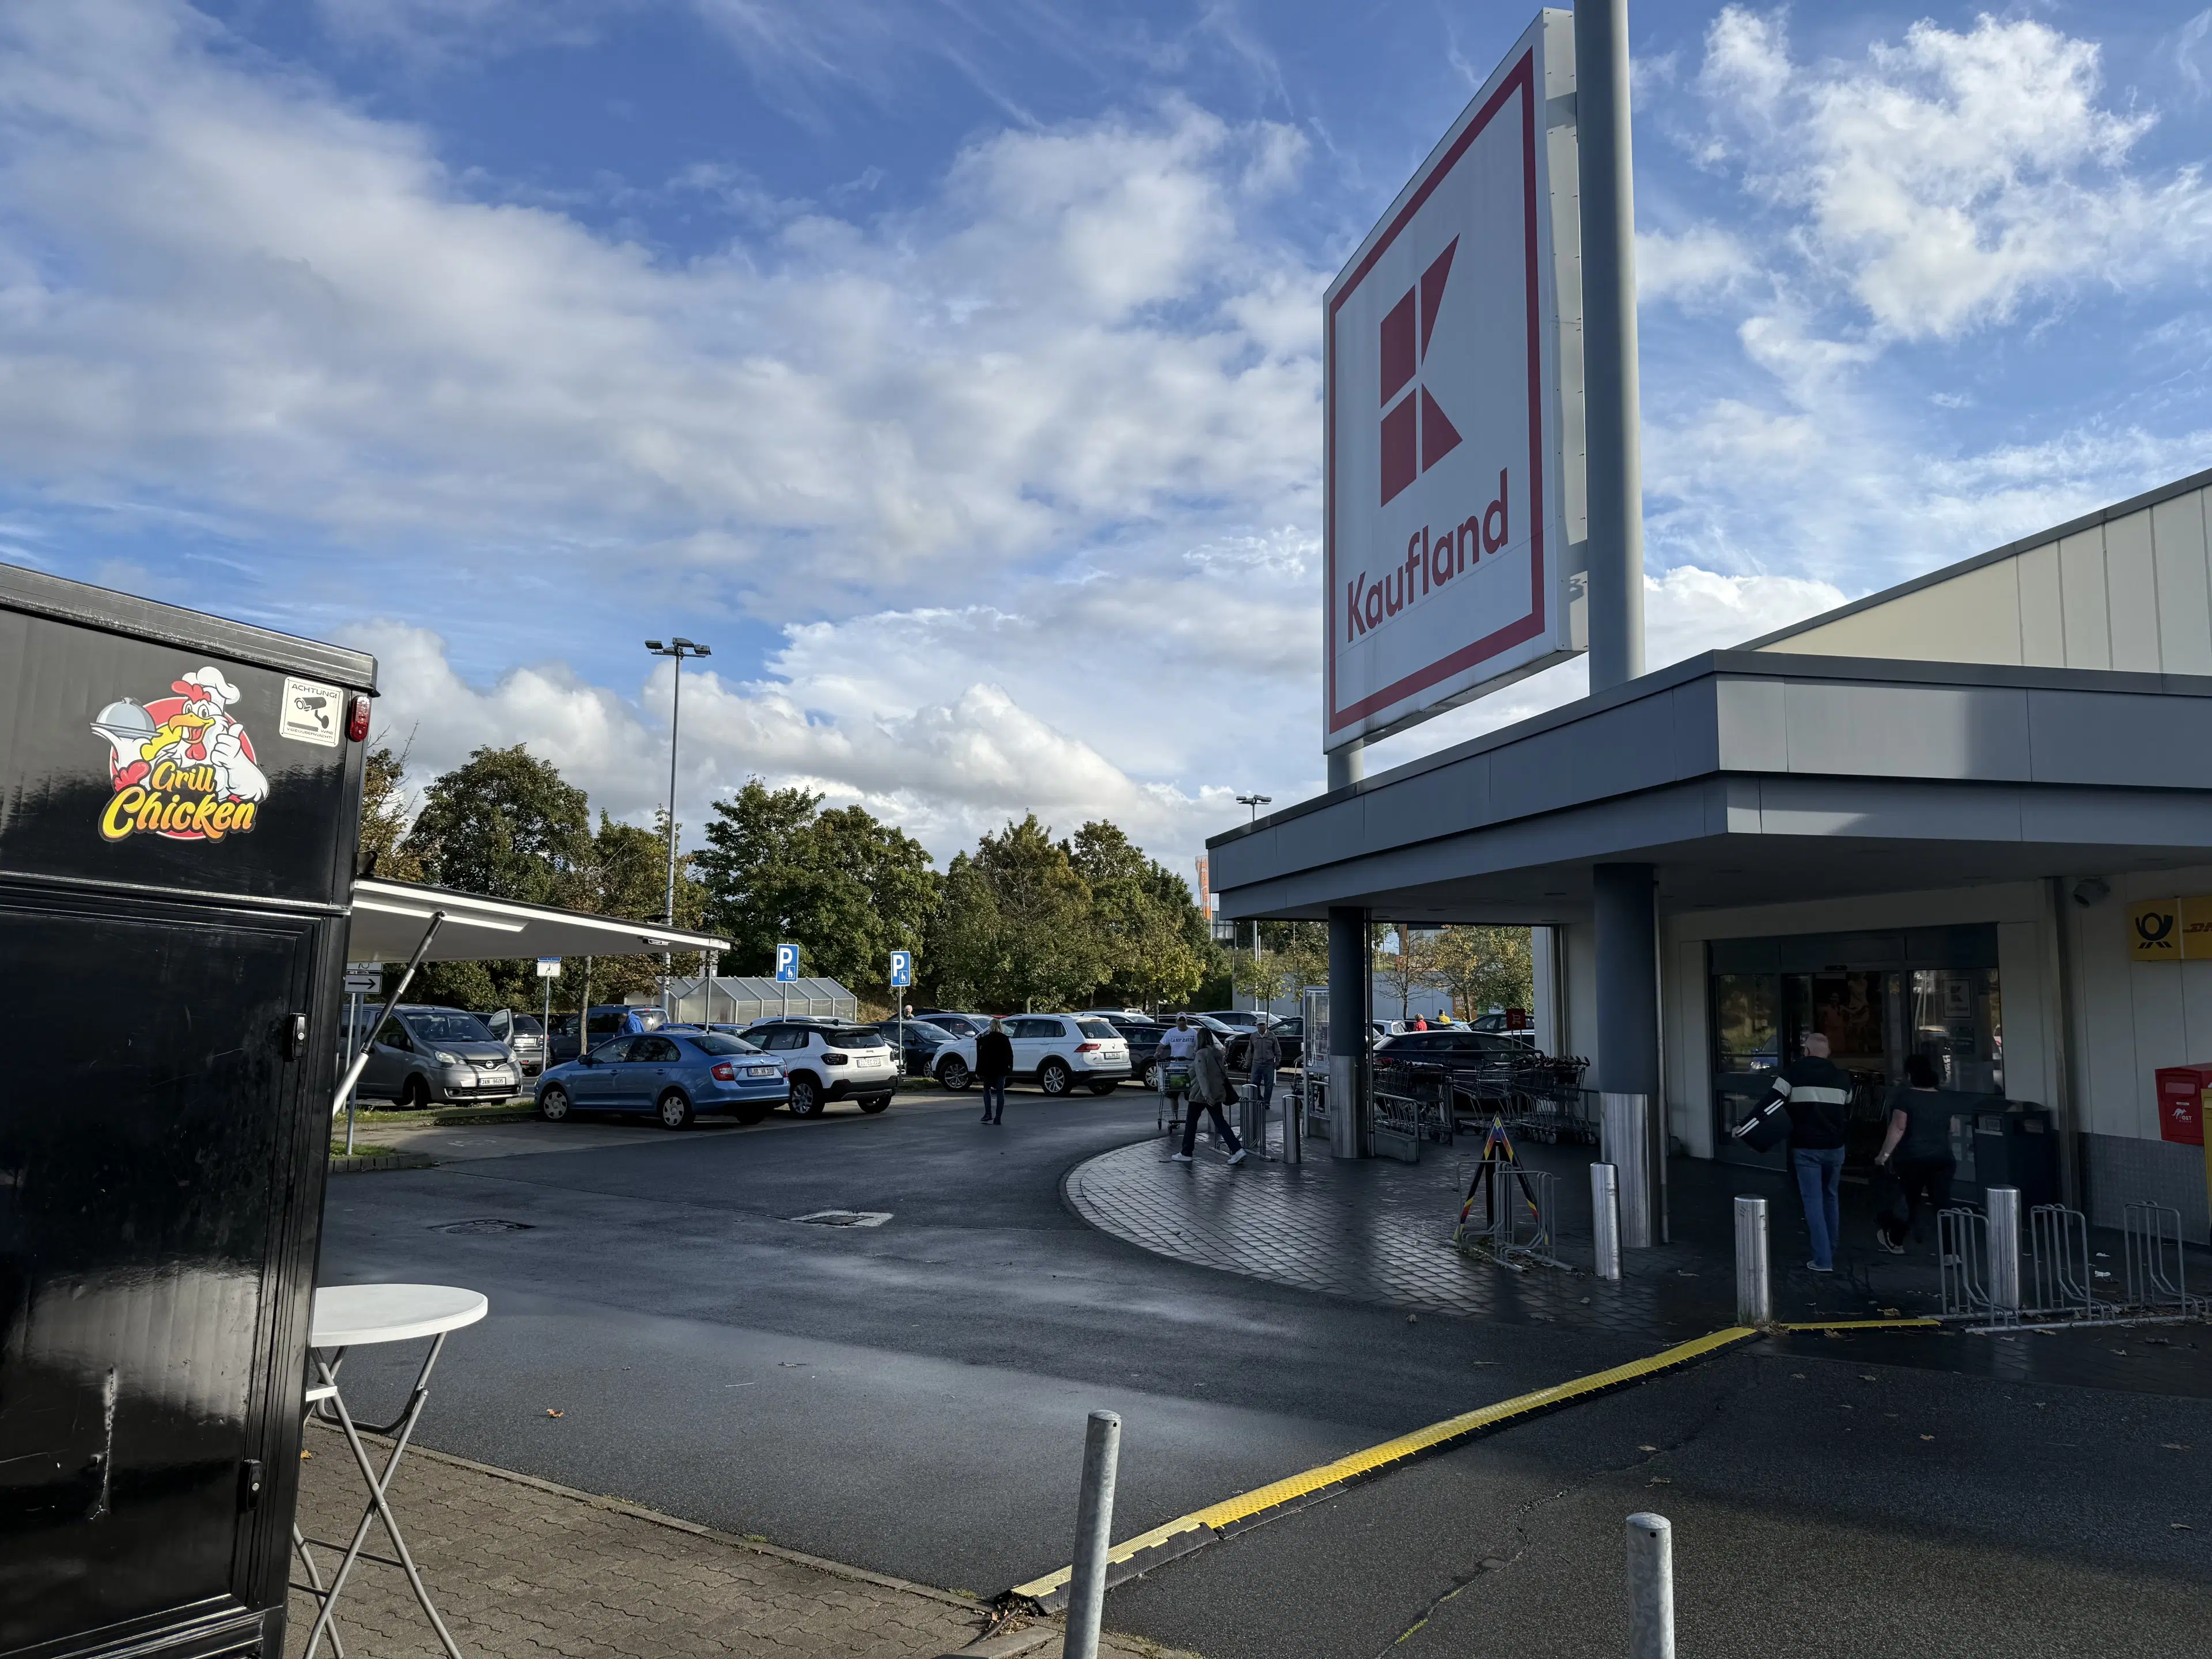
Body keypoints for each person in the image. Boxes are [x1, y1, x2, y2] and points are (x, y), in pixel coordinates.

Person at [1761, 1031, 1853, 1272]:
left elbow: (1770, 1102)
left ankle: (1823, 1259)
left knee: (1813, 1202)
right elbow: (1848, 1106)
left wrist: (1745, 1126)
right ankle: (1830, 1248)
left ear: (1807, 1051)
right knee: (1831, 1197)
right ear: (1828, 1053)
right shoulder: (1842, 1078)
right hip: (1835, 1147)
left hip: (1806, 1147)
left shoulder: (1792, 1074)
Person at [1875, 1054, 1957, 1253]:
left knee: (1909, 1200)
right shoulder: (1944, 1099)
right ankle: (1951, 1253)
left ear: (1910, 1075)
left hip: (1913, 1158)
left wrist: (1883, 1156)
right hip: (1942, 1158)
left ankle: (1896, 1242)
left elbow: (1898, 1128)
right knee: (1943, 1205)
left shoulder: (1906, 1098)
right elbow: (1953, 1128)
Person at [1173, 1028, 1246, 1165]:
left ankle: (1186, 1152)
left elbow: (1201, 1076)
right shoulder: (1218, 1053)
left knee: (1191, 1123)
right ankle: (1237, 1150)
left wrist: (1207, 1095)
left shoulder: (1201, 1054)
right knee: (1220, 1122)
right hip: (1217, 1092)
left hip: (1201, 1094)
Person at [1157, 1015, 1198, 1130]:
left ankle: (1190, 1118)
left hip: (1189, 1068)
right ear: (1176, 1021)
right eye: (1179, 1020)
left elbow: (1198, 1047)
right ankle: (1175, 1118)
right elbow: (1161, 1045)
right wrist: (1158, 1052)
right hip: (1174, 1068)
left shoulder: (1193, 1033)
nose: (1181, 1022)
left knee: (1190, 1096)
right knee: (1174, 1095)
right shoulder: (1171, 1033)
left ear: (1186, 1021)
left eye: (1183, 1020)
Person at [975, 1017, 1013, 1125]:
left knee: (987, 1091)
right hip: (1002, 1069)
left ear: (990, 1027)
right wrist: (1010, 1067)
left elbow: (981, 1057)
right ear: (1001, 1027)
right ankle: (998, 1117)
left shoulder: (985, 1039)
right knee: (1000, 1092)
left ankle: (988, 1113)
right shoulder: (1005, 1039)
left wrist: (978, 1071)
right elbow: (1010, 1055)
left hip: (988, 1069)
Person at [1247, 1017, 1281, 1124]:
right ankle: (1259, 1099)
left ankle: (1266, 1103)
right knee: (1254, 1084)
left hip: (1269, 1064)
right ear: (1257, 1026)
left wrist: (1277, 1062)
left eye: (1263, 1025)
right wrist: (1248, 1062)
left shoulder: (1271, 1036)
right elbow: (1250, 1050)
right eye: (1259, 1025)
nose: (1261, 1027)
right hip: (1256, 1064)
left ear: (1266, 1025)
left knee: (1269, 1085)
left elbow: (1277, 1050)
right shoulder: (1253, 1036)